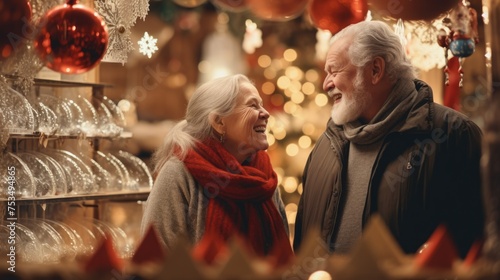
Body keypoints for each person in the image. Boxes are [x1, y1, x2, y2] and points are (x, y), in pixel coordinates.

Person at [293, 20, 484, 258]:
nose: (326, 84)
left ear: (375, 70)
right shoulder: (325, 145)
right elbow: (302, 247)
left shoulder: (454, 134)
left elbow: (476, 248)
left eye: (334, 71)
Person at [141, 74, 293, 264]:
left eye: (261, 105)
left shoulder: (264, 176)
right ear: (219, 122)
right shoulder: (178, 173)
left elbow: (283, 261)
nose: (266, 113)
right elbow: (156, 260)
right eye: (253, 105)